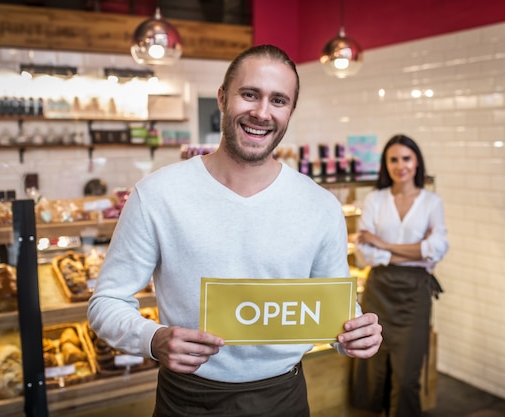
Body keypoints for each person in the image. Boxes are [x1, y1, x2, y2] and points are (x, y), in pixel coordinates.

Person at [87, 44, 382, 417]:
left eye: (278, 100)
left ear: (290, 111)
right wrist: (153, 338)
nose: (262, 112)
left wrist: (355, 333)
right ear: (223, 99)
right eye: (249, 94)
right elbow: (106, 301)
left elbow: (336, 309)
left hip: (284, 397)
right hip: (188, 399)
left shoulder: (320, 206)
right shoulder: (158, 194)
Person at [351, 134, 448, 417]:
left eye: (406, 158)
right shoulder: (375, 199)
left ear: (416, 161)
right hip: (379, 288)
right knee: (371, 368)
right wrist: (416, 251)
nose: (400, 165)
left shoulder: (432, 201)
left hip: (415, 294)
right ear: (385, 164)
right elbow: (363, 254)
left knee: (407, 376)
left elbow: (437, 250)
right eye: (393, 159)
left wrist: (383, 244)